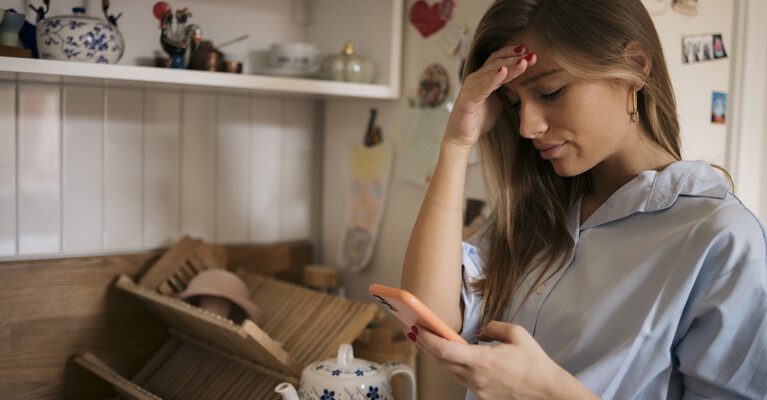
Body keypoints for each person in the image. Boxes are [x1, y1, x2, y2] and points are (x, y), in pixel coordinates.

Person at [399, 0, 767, 399]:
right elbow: (427, 317)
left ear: (635, 68)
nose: (526, 126)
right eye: (514, 103)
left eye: (550, 91)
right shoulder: (536, 215)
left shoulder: (722, 240)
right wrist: (457, 141)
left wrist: (547, 392)